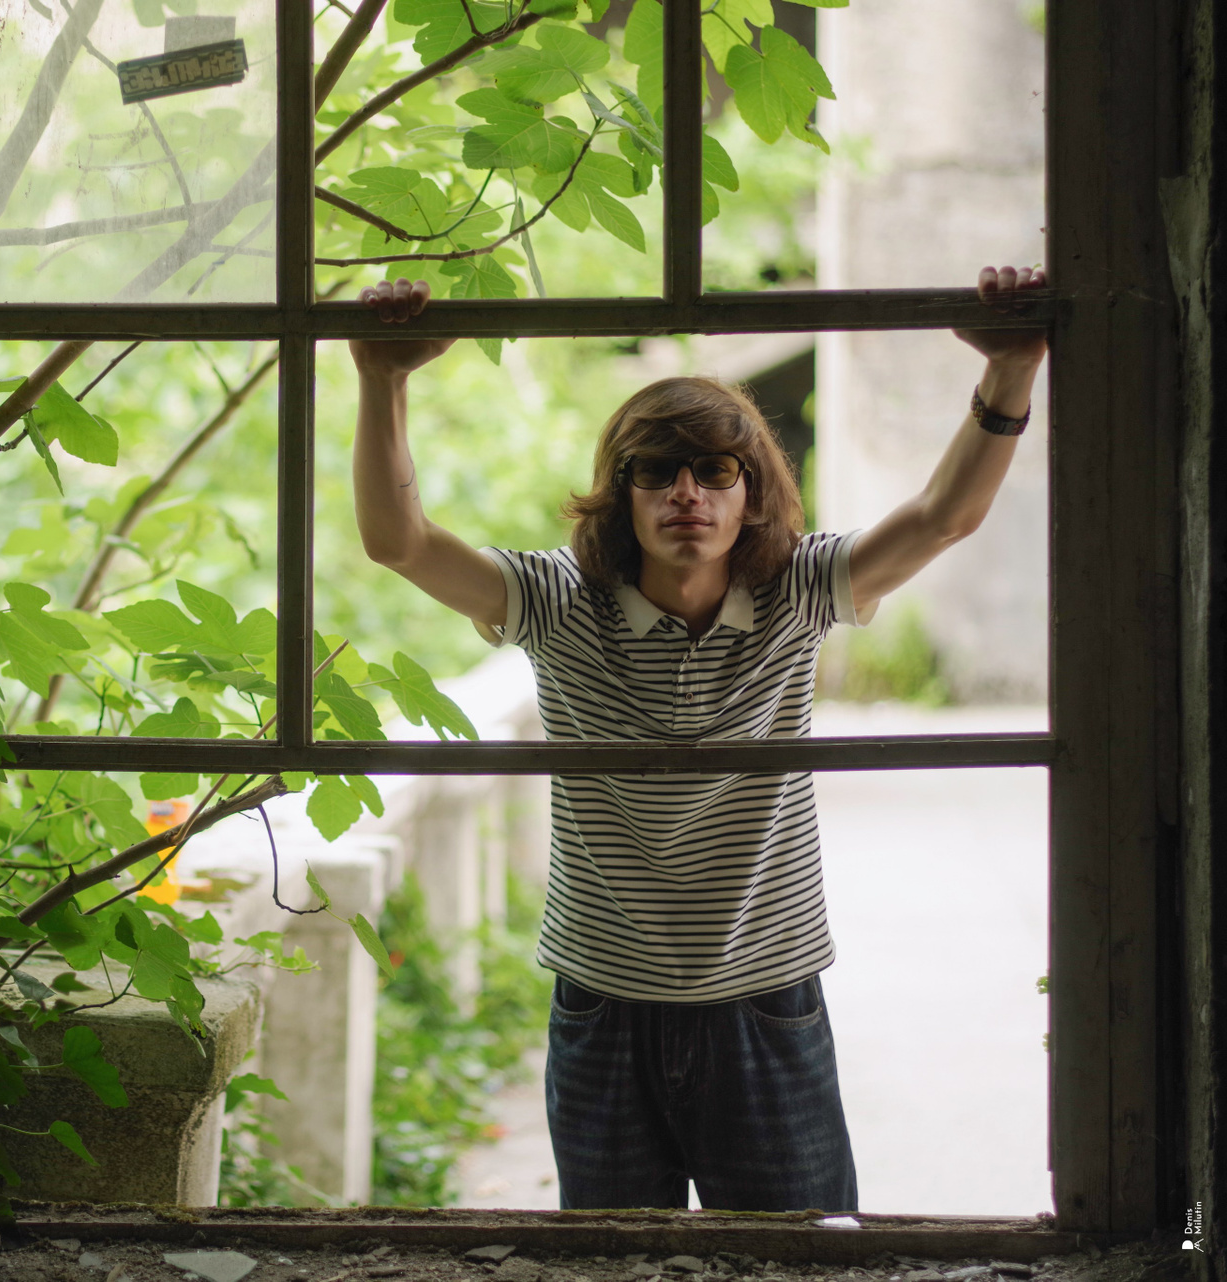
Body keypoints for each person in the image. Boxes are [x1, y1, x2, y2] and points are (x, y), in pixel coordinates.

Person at [346, 266, 1048, 1213]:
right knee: (615, 1265)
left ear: (751, 494)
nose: (687, 493)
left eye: (715, 472)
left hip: (766, 999)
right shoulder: (558, 601)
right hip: (604, 1002)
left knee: (796, 1260)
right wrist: (381, 376)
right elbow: (400, 543)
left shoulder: (798, 591)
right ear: (622, 494)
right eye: (657, 471)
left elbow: (942, 519)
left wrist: (1011, 370)